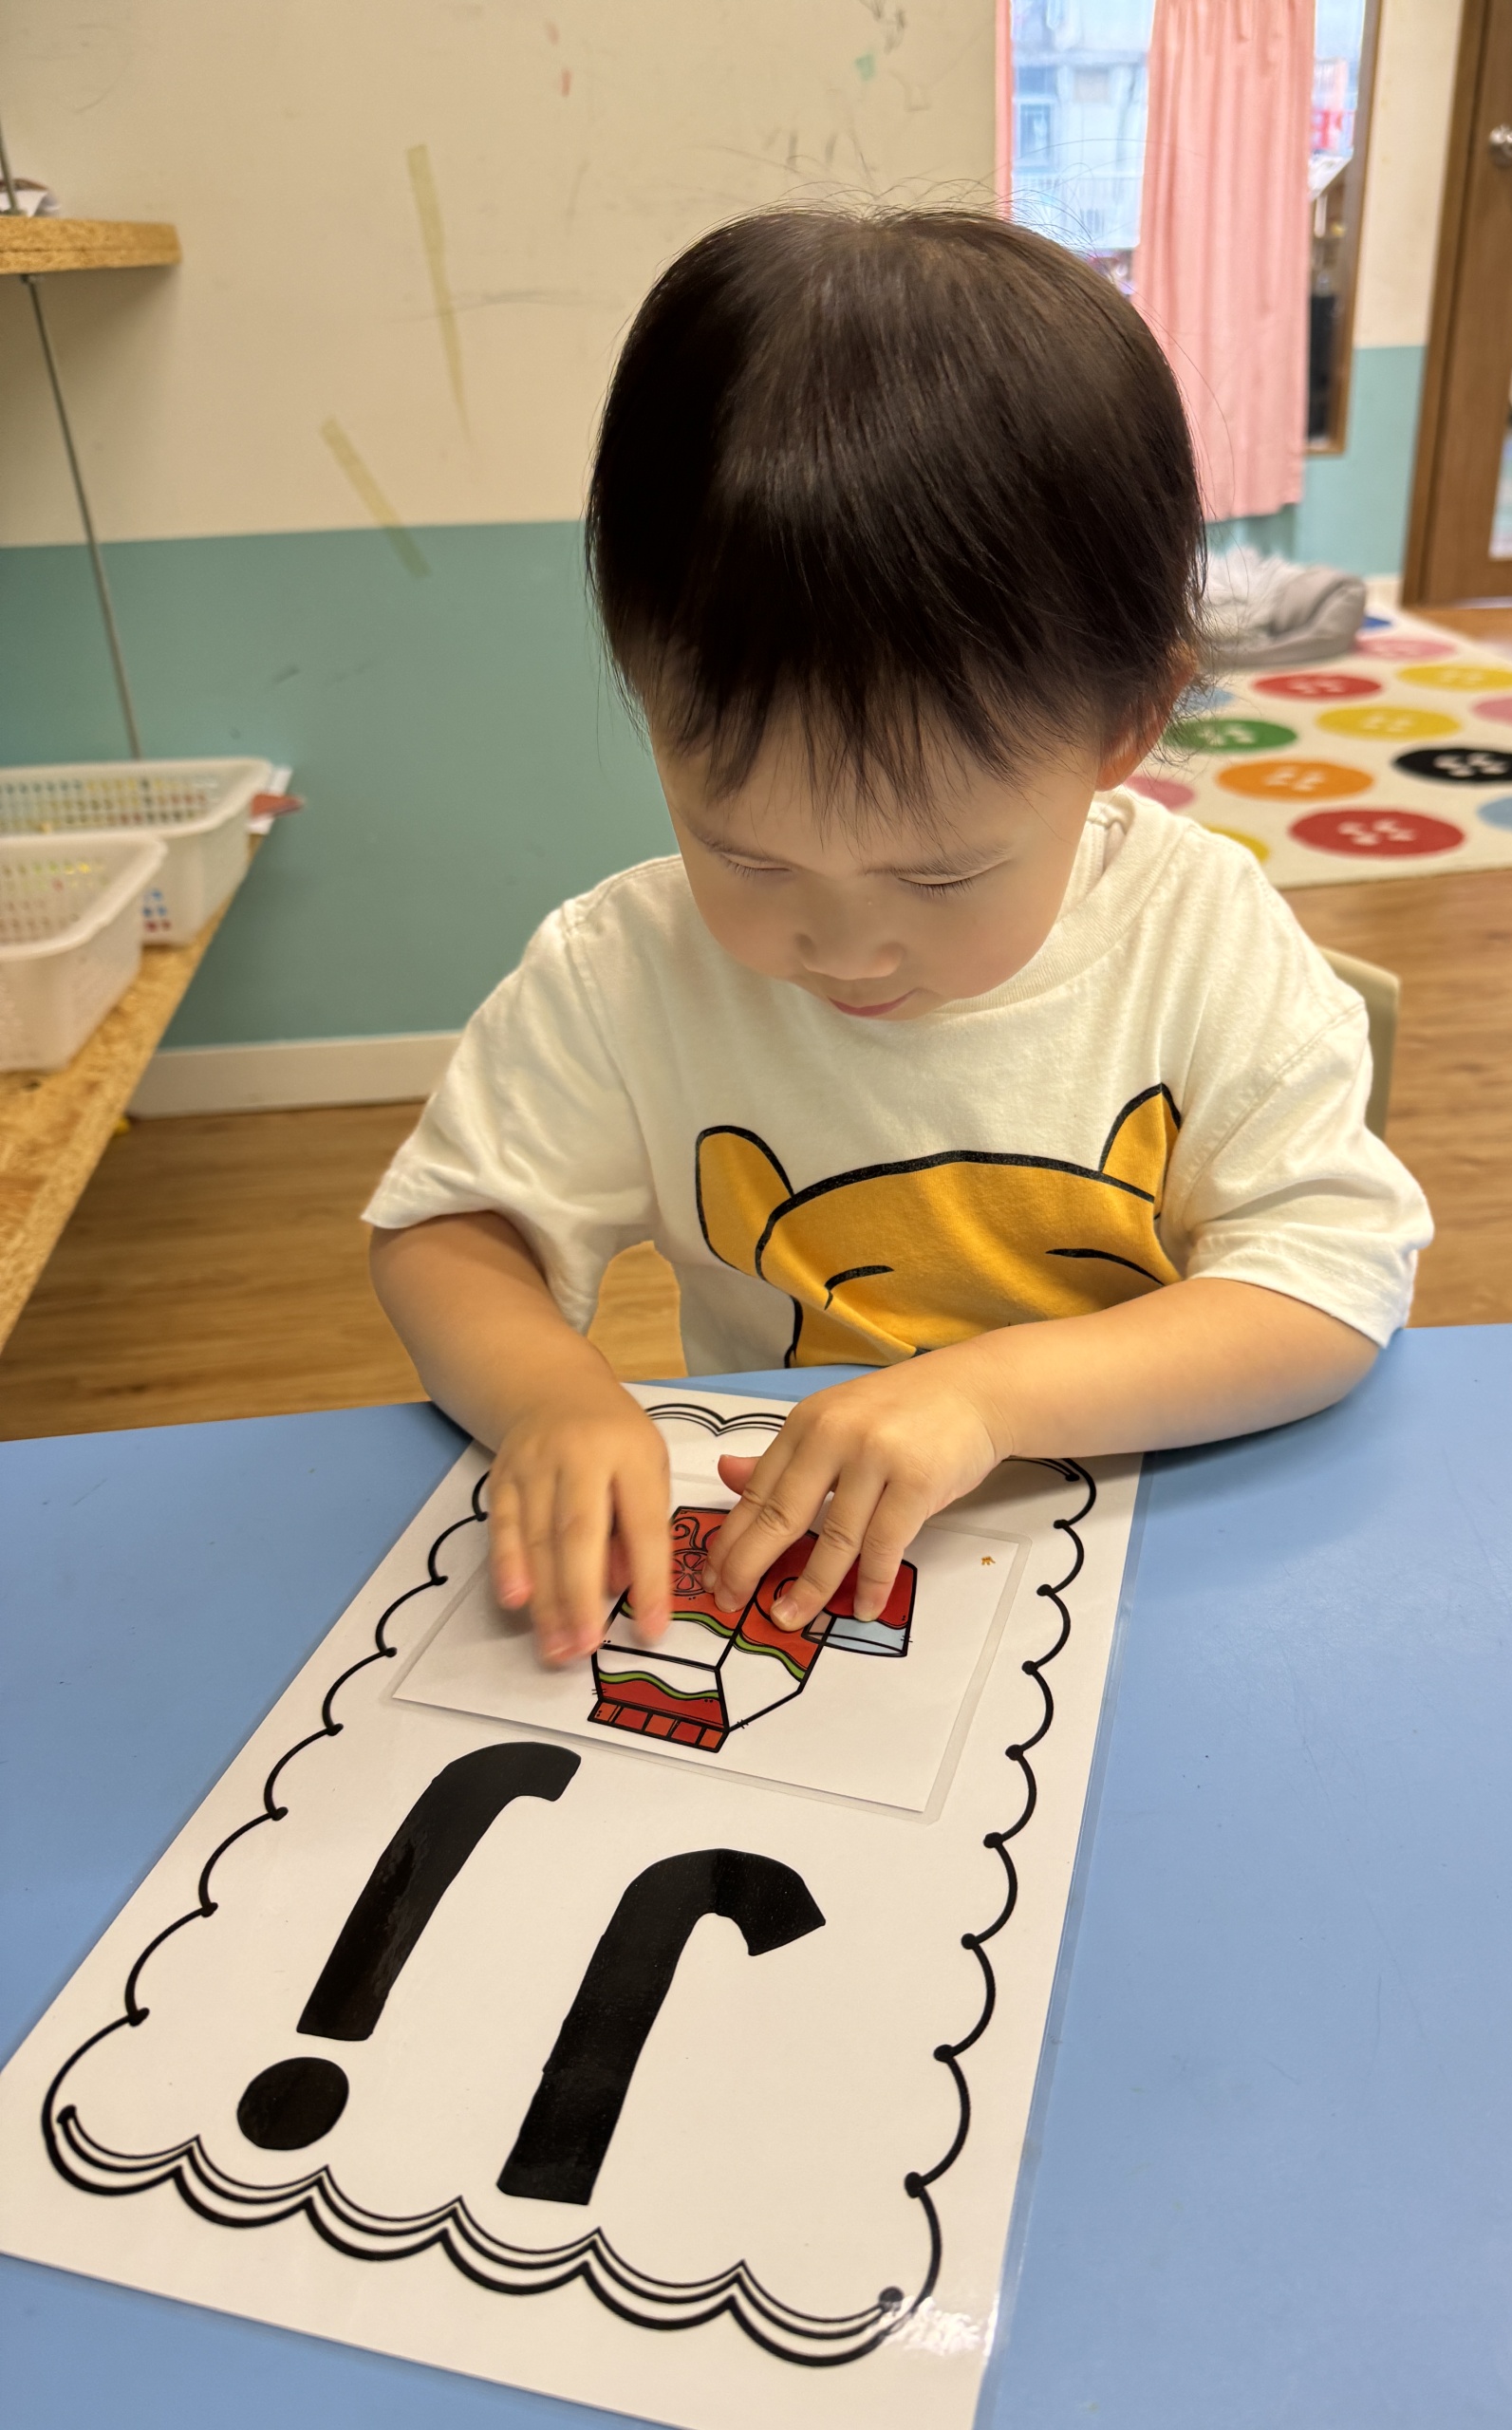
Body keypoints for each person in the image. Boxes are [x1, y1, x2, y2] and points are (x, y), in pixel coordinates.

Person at [365, 208, 1432, 1670]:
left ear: (1127, 725)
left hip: (1155, 1558)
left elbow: (1330, 1283)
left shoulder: (1199, 938)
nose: (843, 948)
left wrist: (989, 1397)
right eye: (746, 853)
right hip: (806, 1577)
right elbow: (450, 1235)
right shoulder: (627, 971)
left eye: (941, 875)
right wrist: (551, 1396)